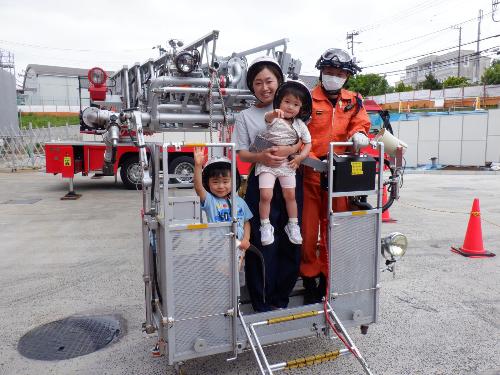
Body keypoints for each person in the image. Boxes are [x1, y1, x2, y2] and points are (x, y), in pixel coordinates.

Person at [301, 48, 371, 304]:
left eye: (340, 73)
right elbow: (297, 129)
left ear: (347, 76)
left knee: (335, 228)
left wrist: (359, 134)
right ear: (321, 72)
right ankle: (310, 276)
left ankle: (332, 277)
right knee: (308, 231)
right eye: (330, 72)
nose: (334, 77)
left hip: (340, 176)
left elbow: (360, 123)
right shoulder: (307, 99)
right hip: (310, 172)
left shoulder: (354, 100)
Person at [232, 57, 303, 312]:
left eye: (269, 81)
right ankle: (262, 300)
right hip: (261, 179)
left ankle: (282, 297)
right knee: (263, 242)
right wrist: (261, 156)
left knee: (291, 236)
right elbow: (243, 153)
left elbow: (305, 141)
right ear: (252, 87)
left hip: (291, 178)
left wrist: (292, 149)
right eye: (258, 83)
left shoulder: (294, 108)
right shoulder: (246, 117)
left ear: (279, 82)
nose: (264, 87)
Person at [251, 80, 312, 246]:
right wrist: (274, 113)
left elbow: (308, 143)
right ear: (279, 102)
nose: (290, 107)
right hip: (267, 163)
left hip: (287, 164)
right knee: (265, 195)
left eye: (295, 104)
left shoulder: (300, 125)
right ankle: (265, 225)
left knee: (290, 196)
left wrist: (300, 158)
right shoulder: (274, 117)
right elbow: (267, 118)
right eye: (287, 102)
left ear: (301, 108)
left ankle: (293, 224)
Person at [193, 148, 252, 251]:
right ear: (207, 183)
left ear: (234, 181)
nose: (220, 186)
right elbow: (198, 188)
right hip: (218, 249)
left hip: (239, 247)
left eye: (225, 182)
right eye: (215, 182)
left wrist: (246, 239)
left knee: (239, 267)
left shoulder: (240, 201)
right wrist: (198, 165)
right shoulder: (210, 201)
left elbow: (246, 221)